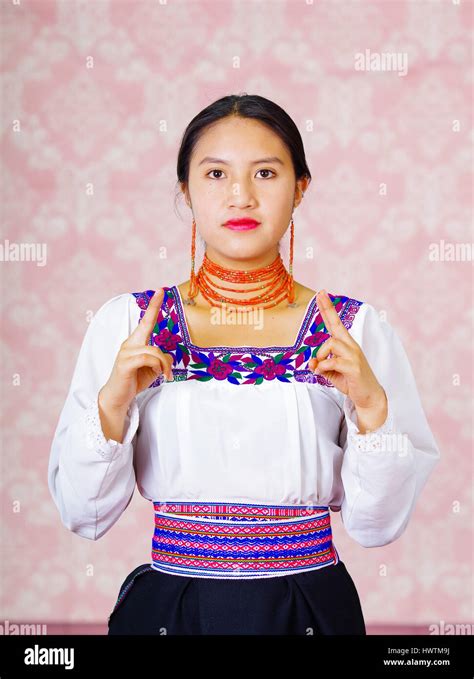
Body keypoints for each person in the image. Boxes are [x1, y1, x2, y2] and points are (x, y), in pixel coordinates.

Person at [47, 93, 441, 635]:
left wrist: (372, 407)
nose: (241, 196)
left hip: (308, 607)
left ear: (301, 187)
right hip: (171, 608)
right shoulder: (130, 325)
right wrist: (112, 407)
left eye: (265, 173)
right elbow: (83, 515)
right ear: (184, 190)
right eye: (214, 174)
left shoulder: (352, 330)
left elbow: (376, 527)